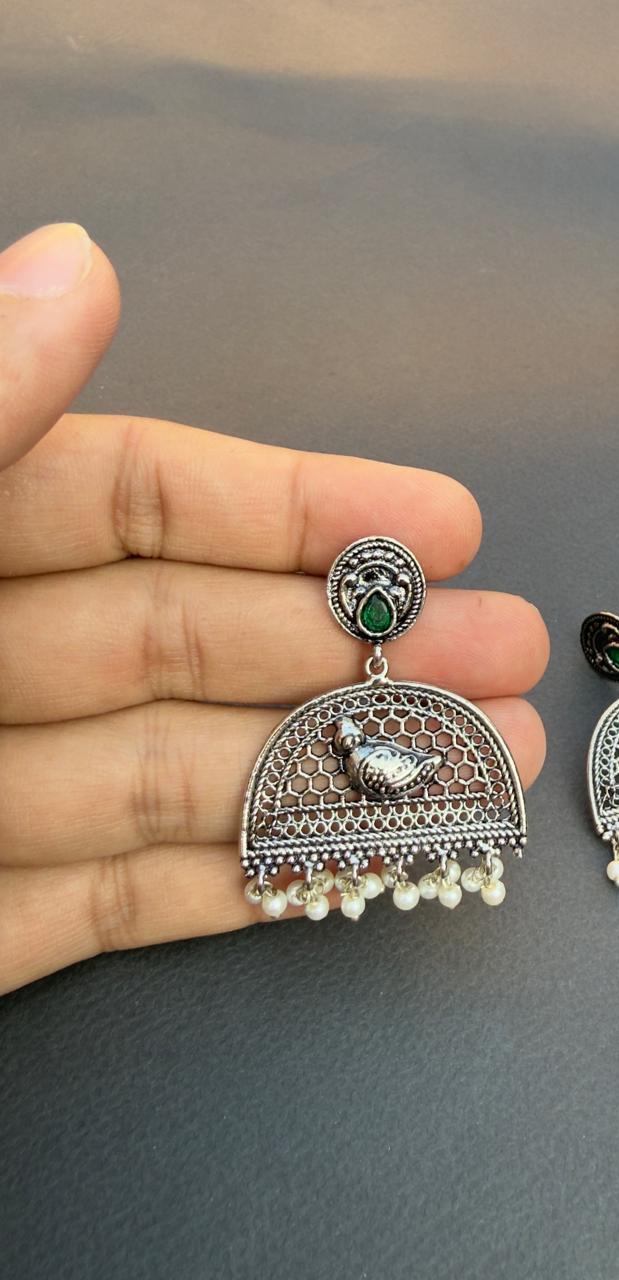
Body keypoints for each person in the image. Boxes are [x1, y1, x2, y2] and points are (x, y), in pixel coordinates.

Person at [0, 223, 549, 993]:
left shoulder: (372, 742)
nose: (344, 743)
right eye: (347, 739)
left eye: (347, 738)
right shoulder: (354, 747)